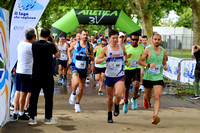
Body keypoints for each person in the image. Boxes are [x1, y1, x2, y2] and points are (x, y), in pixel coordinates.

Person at [28, 28, 60, 125]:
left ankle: (32, 118)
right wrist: (54, 43)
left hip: (36, 73)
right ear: (49, 35)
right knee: (48, 97)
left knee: (34, 96)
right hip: (47, 74)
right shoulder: (50, 46)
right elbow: (58, 55)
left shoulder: (34, 44)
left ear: (40, 34)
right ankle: (48, 117)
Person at [96, 29, 129, 123]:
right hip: (109, 76)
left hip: (120, 75)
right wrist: (103, 59)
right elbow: (97, 61)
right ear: (109, 38)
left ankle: (117, 104)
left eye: (116, 38)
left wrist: (126, 61)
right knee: (110, 97)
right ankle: (109, 114)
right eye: (113, 38)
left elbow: (125, 55)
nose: (115, 40)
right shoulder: (106, 49)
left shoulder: (121, 47)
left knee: (119, 94)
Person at [138, 34, 168, 125]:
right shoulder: (147, 50)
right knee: (148, 96)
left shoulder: (163, 50)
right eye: (155, 39)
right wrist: (148, 65)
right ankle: (145, 99)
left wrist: (165, 65)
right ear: (152, 40)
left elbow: (163, 60)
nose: (157, 41)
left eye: (159, 39)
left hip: (158, 77)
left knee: (157, 96)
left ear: (161, 40)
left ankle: (155, 116)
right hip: (148, 77)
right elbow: (140, 61)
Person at [68, 29, 94, 113]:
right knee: (75, 83)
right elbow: (69, 50)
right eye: (84, 34)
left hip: (84, 68)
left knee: (82, 88)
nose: (85, 36)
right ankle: (73, 93)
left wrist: (88, 54)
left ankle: (77, 103)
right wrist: (69, 58)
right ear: (81, 36)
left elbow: (93, 58)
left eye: (86, 34)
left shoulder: (89, 46)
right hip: (75, 66)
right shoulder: (76, 43)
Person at [12, 28, 36, 120]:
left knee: (17, 91)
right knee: (24, 93)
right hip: (27, 72)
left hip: (19, 71)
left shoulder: (20, 44)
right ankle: (21, 112)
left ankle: (15, 111)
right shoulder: (31, 47)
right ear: (33, 37)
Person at [123, 32, 144, 113]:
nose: (135, 41)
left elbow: (144, 56)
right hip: (128, 69)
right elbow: (123, 57)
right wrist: (126, 60)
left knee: (136, 84)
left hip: (136, 68)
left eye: (136, 39)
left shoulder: (141, 48)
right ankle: (125, 102)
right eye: (133, 39)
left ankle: (134, 99)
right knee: (126, 87)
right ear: (130, 39)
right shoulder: (126, 47)